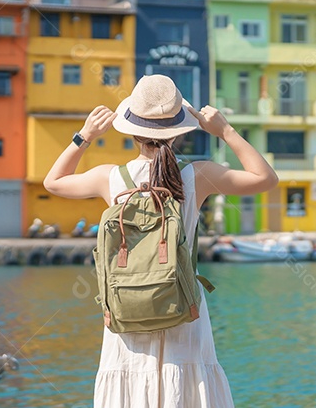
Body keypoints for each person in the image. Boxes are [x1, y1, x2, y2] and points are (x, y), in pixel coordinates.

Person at [43, 74, 278, 407]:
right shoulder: (198, 175)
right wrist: (225, 130)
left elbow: (53, 182)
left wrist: (85, 136)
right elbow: (265, 178)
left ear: (133, 131)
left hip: (127, 309)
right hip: (184, 308)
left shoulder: (110, 178)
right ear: (179, 132)